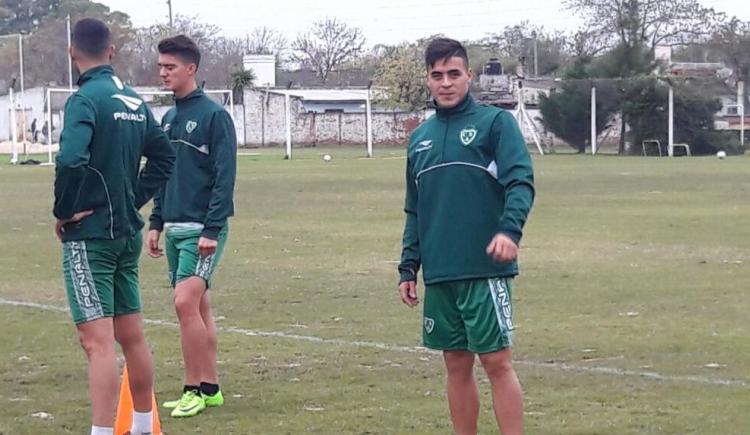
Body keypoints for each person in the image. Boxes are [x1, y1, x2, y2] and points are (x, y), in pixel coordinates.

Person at [397, 37, 535, 435]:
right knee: (455, 365)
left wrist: (510, 230)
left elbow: (521, 182)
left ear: (468, 76)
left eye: (453, 73)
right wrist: (409, 265)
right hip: (440, 272)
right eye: (437, 75)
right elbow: (414, 208)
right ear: (428, 80)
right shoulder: (419, 138)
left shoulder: (495, 124)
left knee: (496, 361)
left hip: (483, 268)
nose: (446, 83)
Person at [53, 18, 175, 435]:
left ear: (73, 53)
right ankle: (142, 426)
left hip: (91, 238)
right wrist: (132, 199)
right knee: (132, 335)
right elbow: (164, 157)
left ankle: (103, 431)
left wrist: (64, 210)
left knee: (97, 341)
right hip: (126, 234)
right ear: (112, 51)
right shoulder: (134, 101)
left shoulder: (85, 100)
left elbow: (70, 159)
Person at [147, 34, 237, 418]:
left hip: (202, 231)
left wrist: (212, 230)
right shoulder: (168, 118)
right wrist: (155, 221)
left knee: (184, 304)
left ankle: (193, 389)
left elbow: (224, 177)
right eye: (160, 67)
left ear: (191, 68)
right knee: (199, 308)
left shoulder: (215, 116)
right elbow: (161, 174)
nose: (163, 73)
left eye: (170, 67)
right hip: (174, 229)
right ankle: (212, 387)